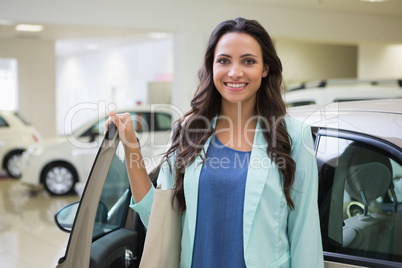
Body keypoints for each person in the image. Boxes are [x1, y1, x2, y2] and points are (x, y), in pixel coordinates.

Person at [106, 17, 324, 268]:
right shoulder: (187, 131)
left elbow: (305, 234)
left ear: (265, 69)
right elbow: (158, 219)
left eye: (249, 61)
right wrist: (131, 145)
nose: (235, 72)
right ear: (211, 66)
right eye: (224, 60)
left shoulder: (293, 136)